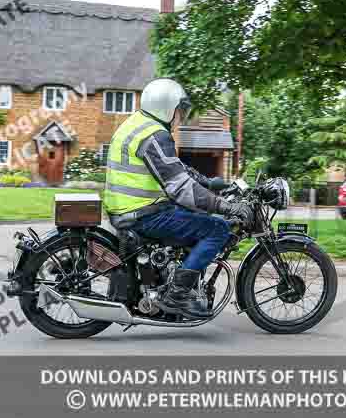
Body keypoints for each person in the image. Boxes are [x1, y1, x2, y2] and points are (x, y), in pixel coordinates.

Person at [103, 78, 252, 319]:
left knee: (198, 215)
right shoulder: (154, 135)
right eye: (179, 111)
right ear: (167, 107)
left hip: (128, 207)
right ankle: (177, 295)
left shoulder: (138, 123)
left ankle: (175, 278)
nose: (180, 117)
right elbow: (181, 188)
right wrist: (227, 207)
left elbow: (173, 168)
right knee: (217, 229)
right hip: (143, 214)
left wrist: (209, 182)